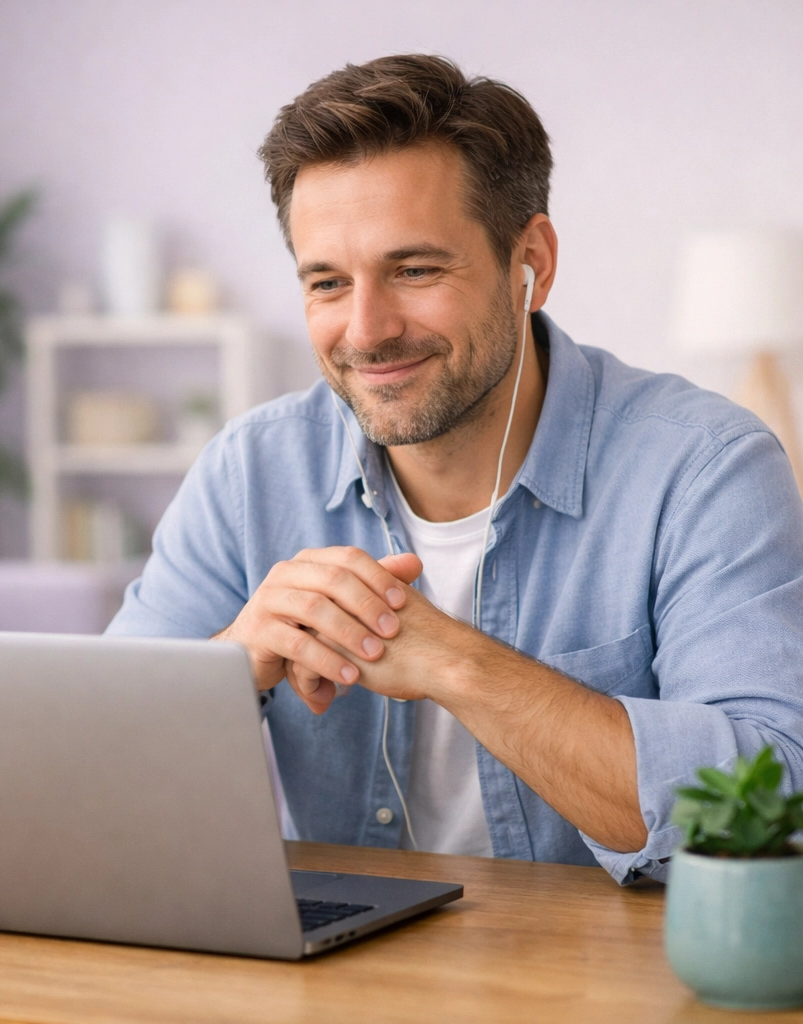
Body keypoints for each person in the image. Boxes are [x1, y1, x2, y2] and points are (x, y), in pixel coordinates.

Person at [108, 54, 803, 883]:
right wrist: (225, 667)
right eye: (328, 282)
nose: (366, 330)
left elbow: (773, 805)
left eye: (415, 270)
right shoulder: (249, 474)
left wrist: (454, 664)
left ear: (531, 262)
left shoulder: (706, 469)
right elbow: (94, 777)